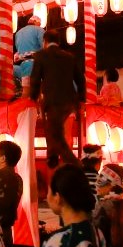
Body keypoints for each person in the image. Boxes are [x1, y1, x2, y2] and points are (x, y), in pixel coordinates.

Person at [30, 29, 85, 168]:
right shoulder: (69, 56)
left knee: (56, 134)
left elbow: (35, 79)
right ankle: (52, 157)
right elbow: (80, 80)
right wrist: (80, 99)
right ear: (58, 42)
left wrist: (33, 97)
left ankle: (76, 165)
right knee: (54, 128)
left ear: (45, 41)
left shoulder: (41, 55)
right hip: (70, 101)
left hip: (53, 100)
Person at [14, 15, 45, 92]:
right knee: (39, 90)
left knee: (26, 90)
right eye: (39, 23)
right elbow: (45, 47)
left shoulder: (18, 33)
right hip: (36, 64)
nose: (40, 25)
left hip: (24, 65)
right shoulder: (39, 30)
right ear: (35, 22)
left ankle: (25, 104)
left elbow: (18, 50)